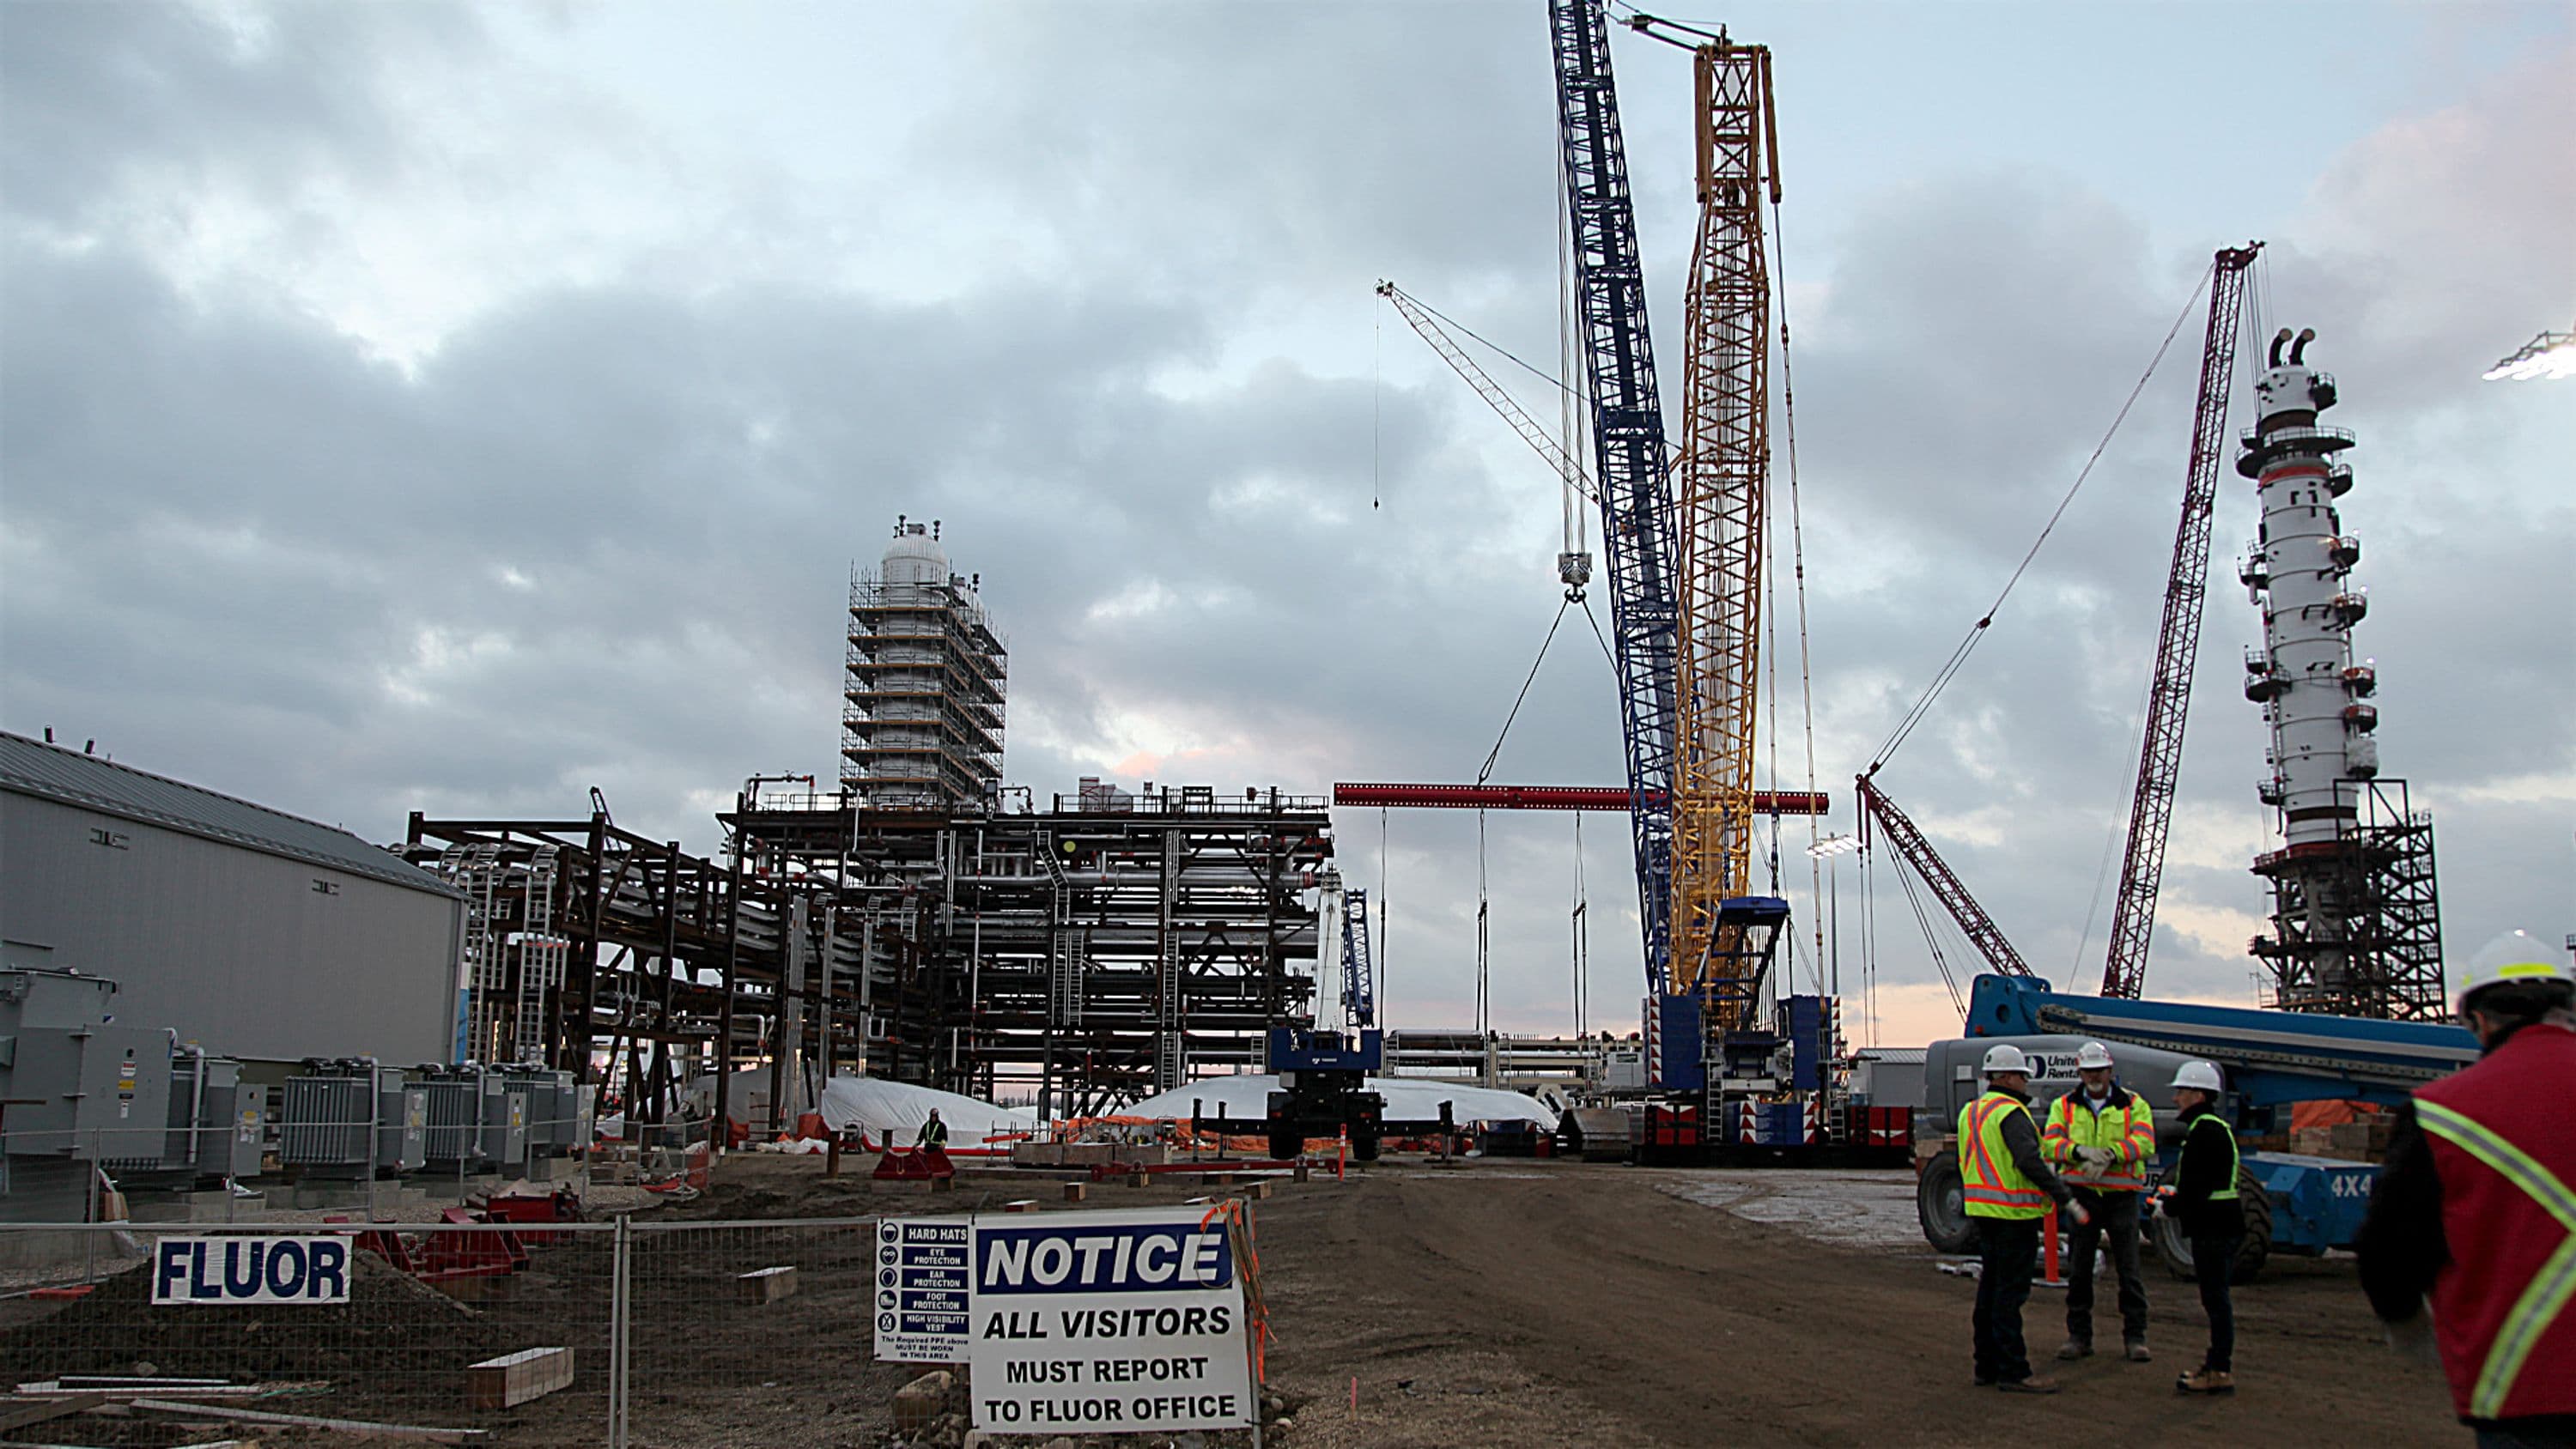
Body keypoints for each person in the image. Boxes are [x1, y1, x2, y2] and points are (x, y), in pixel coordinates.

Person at [2357, 930, 2576, 1446]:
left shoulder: (2442, 1113)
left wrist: (2407, 1327)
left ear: (2478, 1021)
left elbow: (2390, 1249)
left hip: (2522, 1398)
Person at [1960, 1043, 2089, 1394]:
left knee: (1989, 1292)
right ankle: (2014, 1371)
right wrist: (2065, 1197)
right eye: (2022, 1076)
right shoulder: (2011, 1113)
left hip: (1982, 1211)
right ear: (2008, 1077)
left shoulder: (1972, 1111)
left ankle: (1985, 1366)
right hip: (2013, 1214)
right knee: (2009, 1296)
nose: (2026, 1084)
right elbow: (2029, 1161)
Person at [2042, 1040, 2158, 1363]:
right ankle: (2079, 1336)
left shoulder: (2134, 1104)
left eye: (2100, 1071)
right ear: (2080, 1072)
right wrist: (2080, 1153)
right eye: (2089, 1071)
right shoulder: (2064, 1106)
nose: (2094, 1077)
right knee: (2079, 1270)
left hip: (2121, 1197)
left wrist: (2111, 1154)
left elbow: (2145, 1141)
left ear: (2110, 1071)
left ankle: (2136, 1337)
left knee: (2129, 1270)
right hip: (2082, 1195)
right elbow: (2050, 1143)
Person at [2163, 1058, 2242, 1395]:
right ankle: (2217, 1367)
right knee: (2216, 1299)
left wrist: (2170, 1207)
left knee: (2215, 1300)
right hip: (2221, 1223)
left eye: (2181, 1091)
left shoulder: (2203, 1132)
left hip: (2213, 1226)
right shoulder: (2214, 1128)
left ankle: (2218, 1369)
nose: (2176, 1098)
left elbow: (2197, 1186)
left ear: (2198, 1094)